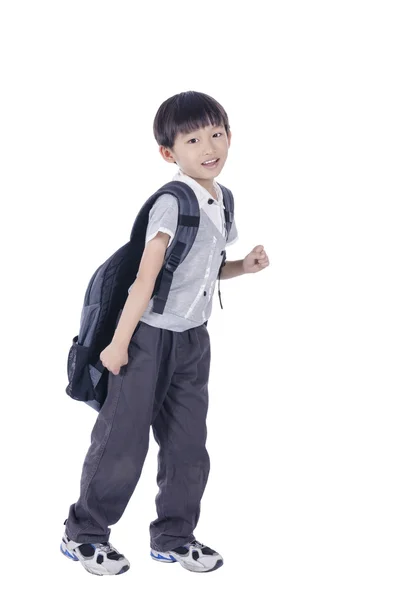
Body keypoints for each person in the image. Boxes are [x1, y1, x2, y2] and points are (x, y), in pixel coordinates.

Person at [60, 90, 270, 576]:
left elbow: (202, 270)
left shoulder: (223, 199)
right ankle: (83, 534)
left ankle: (174, 537)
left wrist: (244, 266)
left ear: (230, 136)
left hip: (194, 340)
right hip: (145, 339)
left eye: (217, 133)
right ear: (169, 153)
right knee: (122, 441)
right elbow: (145, 281)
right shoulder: (172, 204)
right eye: (193, 139)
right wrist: (117, 344)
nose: (209, 146)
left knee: (188, 445)